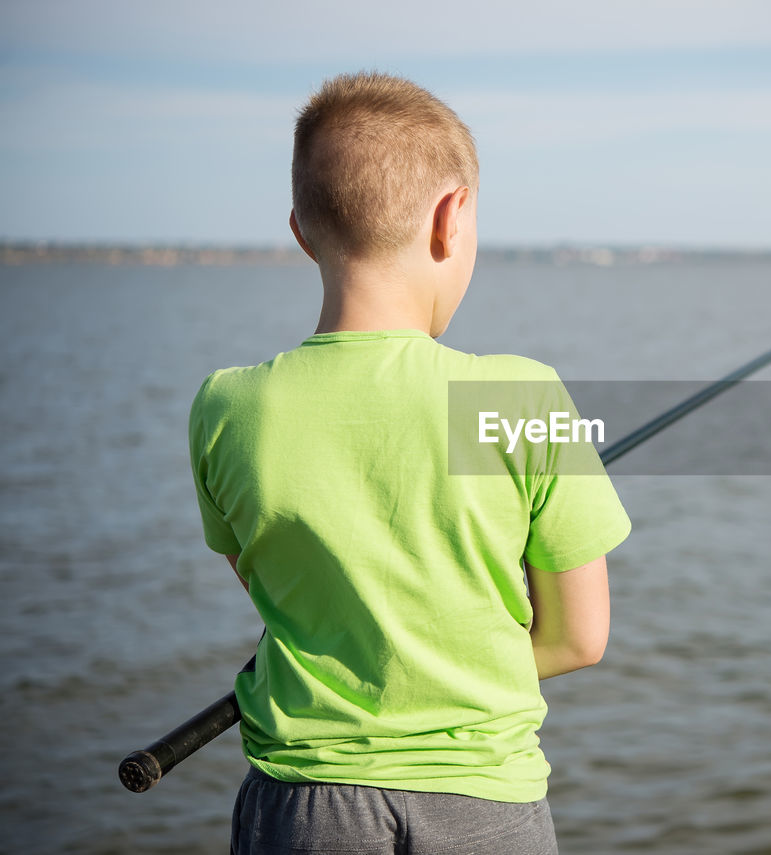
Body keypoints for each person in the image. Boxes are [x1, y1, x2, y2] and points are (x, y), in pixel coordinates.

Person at [188, 71, 630, 855]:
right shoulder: (515, 398)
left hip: (303, 808)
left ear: (301, 229)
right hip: (485, 805)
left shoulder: (229, 407)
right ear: (451, 218)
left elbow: (278, 591)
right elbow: (581, 637)